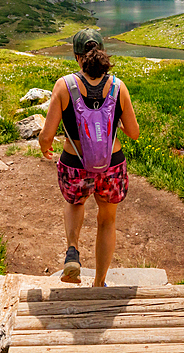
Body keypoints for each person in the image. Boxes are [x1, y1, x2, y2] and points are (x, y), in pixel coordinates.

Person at [39, 28, 140, 287]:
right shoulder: (118, 86)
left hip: (75, 165)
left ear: (76, 57)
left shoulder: (64, 86)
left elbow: (47, 134)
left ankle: (72, 251)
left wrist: (45, 147)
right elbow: (134, 132)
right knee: (107, 220)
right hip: (112, 164)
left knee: (75, 204)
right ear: (103, 53)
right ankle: (99, 282)